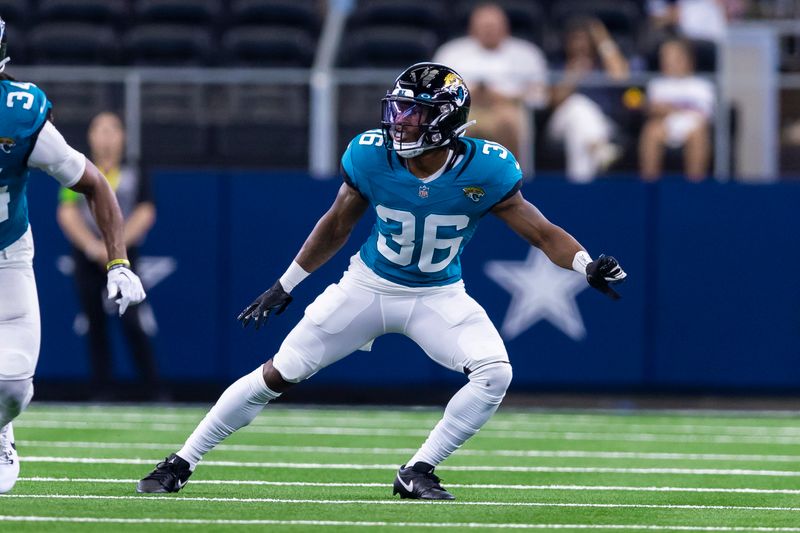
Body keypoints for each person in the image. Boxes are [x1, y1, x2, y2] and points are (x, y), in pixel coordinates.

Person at [137, 62, 626, 500]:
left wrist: (585, 264)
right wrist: (286, 284)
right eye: (400, 109)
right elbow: (336, 225)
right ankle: (181, 461)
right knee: (278, 372)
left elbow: (540, 231)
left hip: (438, 294)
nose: (402, 121)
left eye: (415, 112)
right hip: (367, 286)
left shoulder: (486, 167)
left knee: (495, 372)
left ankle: (417, 471)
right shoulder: (372, 155)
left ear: (446, 120)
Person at [0, 17, 146, 494]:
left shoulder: (19, 115)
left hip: (6, 254)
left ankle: (2, 426)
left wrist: (118, 260)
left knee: (14, 385)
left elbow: (93, 183)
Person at [57, 112, 158, 399]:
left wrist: (115, 248)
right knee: (94, 321)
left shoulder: (134, 170)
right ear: (90, 136)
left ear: (123, 136)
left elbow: (145, 211)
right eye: (99, 129)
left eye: (113, 130)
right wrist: (93, 247)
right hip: (87, 257)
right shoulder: (76, 167)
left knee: (133, 320)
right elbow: (67, 211)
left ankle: (151, 388)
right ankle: (101, 389)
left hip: (124, 257)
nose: (106, 137)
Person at [432, 3, 548, 171]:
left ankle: (513, 181)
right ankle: (451, 180)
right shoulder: (450, 52)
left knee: (509, 121)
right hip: (465, 109)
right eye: (484, 27)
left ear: (505, 28)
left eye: (493, 26)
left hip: (507, 108)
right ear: (472, 29)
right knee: (455, 125)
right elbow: (436, 92)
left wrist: (504, 97)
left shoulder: (527, 53)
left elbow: (540, 96)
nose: (489, 31)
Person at [546, 18, 629, 183]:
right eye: (575, 39)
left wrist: (603, 39)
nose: (580, 45)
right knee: (578, 105)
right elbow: (552, 102)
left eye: (584, 39)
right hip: (560, 124)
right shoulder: (559, 66)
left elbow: (622, 77)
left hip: (603, 125)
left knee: (580, 131)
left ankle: (580, 183)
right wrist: (573, 75)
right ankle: (600, 151)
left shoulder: (603, 66)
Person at [639, 38, 714, 181]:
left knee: (699, 134)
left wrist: (672, 109)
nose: (668, 62)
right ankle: (649, 185)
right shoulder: (657, 84)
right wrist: (673, 110)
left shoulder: (702, 86)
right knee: (651, 131)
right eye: (664, 57)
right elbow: (653, 109)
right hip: (665, 125)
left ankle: (694, 186)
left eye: (673, 57)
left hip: (693, 126)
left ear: (687, 60)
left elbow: (704, 113)